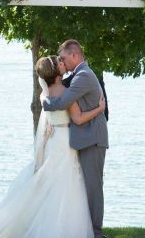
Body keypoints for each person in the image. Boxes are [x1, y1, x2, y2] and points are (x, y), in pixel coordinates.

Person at [0, 55, 105, 238]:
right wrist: (99, 109)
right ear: (57, 73)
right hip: (65, 142)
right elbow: (78, 118)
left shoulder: (44, 94)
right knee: (67, 184)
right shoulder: (67, 92)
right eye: (60, 63)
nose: (63, 63)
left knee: (50, 184)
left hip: (51, 142)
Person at [43, 39, 109, 238]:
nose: (62, 61)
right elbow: (59, 87)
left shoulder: (83, 76)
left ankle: (96, 233)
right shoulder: (78, 76)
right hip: (85, 138)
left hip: (92, 138)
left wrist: (45, 101)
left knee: (93, 187)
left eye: (64, 58)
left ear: (75, 55)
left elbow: (63, 101)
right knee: (86, 187)